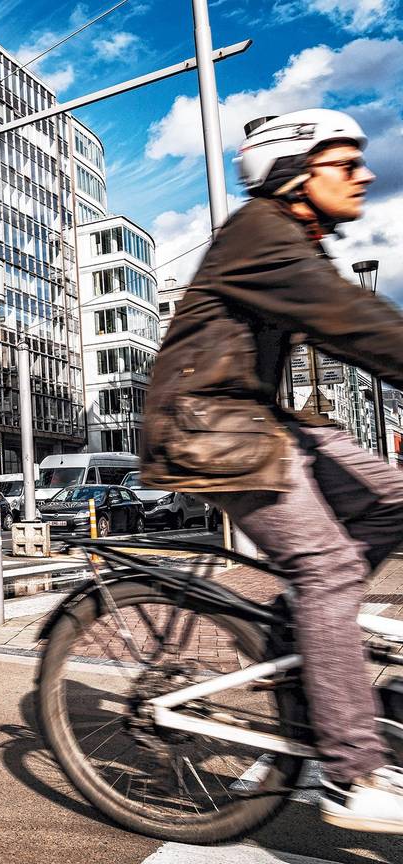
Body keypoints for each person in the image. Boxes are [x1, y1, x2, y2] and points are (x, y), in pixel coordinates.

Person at [140, 109, 403, 834]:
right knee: (328, 568)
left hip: (257, 418)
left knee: (393, 498)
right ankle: (350, 775)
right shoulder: (262, 234)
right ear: (294, 171)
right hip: (209, 426)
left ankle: (306, 633)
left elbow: (352, 323)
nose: (366, 174)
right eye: (345, 164)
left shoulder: (296, 241)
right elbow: (351, 320)